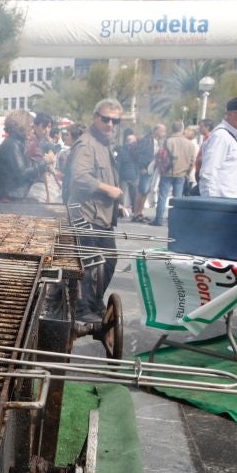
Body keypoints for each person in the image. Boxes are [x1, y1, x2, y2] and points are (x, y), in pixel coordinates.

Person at [67, 98, 124, 324]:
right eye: (106, 119)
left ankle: (94, 301)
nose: (110, 124)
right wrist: (108, 189)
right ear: (95, 117)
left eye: (115, 121)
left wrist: (117, 201)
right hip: (85, 214)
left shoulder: (104, 143)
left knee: (109, 261)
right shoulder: (86, 144)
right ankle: (82, 308)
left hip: (102, 215)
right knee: (89, 265)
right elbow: (80, 177)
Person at [0, 109, 55, 202]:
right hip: (9, 199)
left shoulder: (16, 143)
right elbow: (22, 174)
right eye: (30, 127)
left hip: (11, 197)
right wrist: (44, 161)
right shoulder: (13, 145)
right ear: (21, 126)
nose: (32, 130)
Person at [199, 96, 237, 198]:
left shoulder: (234, 136)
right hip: (223, 202)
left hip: (233, 200)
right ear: (229, 114)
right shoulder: (221, 136)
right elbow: (208, 173)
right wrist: (211, 203)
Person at [151, 121, 195, 226]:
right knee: (177, 198)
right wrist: (187, 172)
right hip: (181, 173)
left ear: (172, 129)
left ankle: (158, 219)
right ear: (182, 129)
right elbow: (192, 161)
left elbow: (161, 155)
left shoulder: (168, 141)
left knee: (162, 196)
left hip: (167, 172)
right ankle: (176, 220)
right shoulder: (190, 144)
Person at [132, 124, 166, 222]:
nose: (164, 133)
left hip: (151, 169)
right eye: (162, 131)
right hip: (145, 168)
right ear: (156, 130)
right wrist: (142, 167)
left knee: (146, 191)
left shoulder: (159, 142)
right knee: (141, 191)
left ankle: (140, 212)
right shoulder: (147, 140)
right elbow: (138, 153)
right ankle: (136, 214)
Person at [115, 130, 139, 217]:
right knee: (133, 194)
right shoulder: (136, 150)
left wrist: (117, 175)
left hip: (124, 175)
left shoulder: (121, 150)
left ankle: (121, 211)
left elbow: (118, 164)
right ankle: (135, 210)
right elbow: (137, 163)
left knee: (122, 194)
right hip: (132, 175)